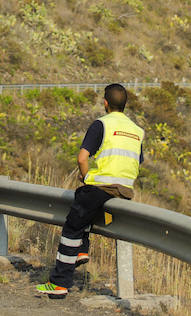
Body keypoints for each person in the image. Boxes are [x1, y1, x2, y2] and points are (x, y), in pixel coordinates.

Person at [36, 83, 144, 299]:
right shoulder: (137, 130)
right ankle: (82, 251)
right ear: (125, 105)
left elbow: (82, 158)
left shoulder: (101, 124)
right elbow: (137, 162)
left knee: (72, 227)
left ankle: (59, 284)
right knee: (82, 201)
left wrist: (86, 176)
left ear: (105, 102)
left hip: (102, 186)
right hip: (125, 189)